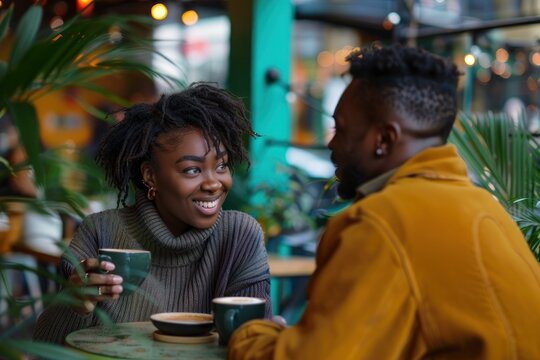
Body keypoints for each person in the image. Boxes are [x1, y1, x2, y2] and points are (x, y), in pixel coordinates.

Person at [228, 45, 540, 359]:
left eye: (341, 129)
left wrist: (250, 334)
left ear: (384, 140)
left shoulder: (382, 221)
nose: (332, 143)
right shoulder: (486, 207)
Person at [33, 82, 272, 344]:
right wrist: (76, 305)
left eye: (222, 166)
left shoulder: (239, 236)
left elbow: (255, 345)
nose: (214, 183)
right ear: (150, 175)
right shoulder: (100, 233)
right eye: (192, 170)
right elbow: (46, 347)